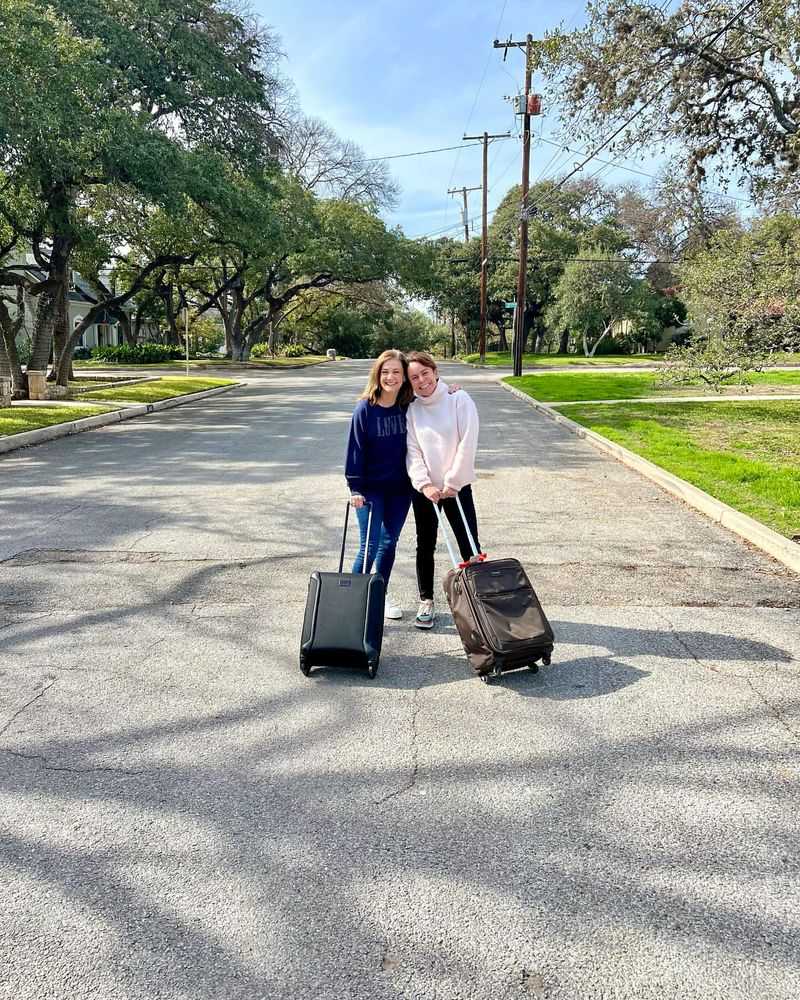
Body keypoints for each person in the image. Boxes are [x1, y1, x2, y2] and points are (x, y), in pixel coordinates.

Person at [405, 351, 481, 629]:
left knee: (468, 543)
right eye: (414, 377)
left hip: (456, 488)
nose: (421, 380)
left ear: (435, 371)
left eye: (425, 373)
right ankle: (426, 600)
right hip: (426, 491)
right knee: (425, 545)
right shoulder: (412, 409)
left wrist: (452, 482)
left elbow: (467, 442)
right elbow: (412, 451)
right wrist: (424, 484)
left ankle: (479, 601)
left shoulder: (458, 399)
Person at [344, 349, 414, 620]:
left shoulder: (409, 404)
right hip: (370, 489)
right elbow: (355, 449)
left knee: (389, 542)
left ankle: (378, 595)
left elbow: (434, 397)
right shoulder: (365, 408)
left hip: (400, 489)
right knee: (369, 546)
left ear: (403, 376)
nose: (391, 377)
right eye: (385, 372)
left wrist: (450, 391)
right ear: (377, 374)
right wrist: (355, 487)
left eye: (396, 371)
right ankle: (350, 601)